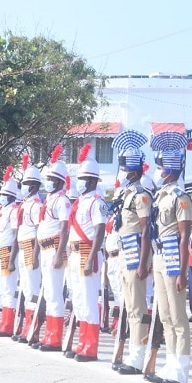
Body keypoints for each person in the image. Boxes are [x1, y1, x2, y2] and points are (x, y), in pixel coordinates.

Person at [147, 130, 192, 383]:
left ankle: (182, 368)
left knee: (177, 315)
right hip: (160, 256)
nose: (159, 171)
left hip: (174, 257)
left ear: (171, 170)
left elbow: (184, 237)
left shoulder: (180, 198)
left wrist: (183, 272)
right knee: (164, 314)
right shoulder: (160, 196)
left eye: (162, 167)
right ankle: (171, 362)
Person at [110, 130, 153, 375]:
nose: (123, 173)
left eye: (126, 170)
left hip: (136, 256)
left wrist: (142, 264)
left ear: (134, 172)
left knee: (137, 307)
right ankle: (130, 353)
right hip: (125, 254)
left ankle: (137, 358)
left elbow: (146, 231)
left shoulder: (142, 197)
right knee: (128, 306)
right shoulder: (126, 194)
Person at [67, 144, 107, 362]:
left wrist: (92, 257)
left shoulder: (97, 202)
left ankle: (90, 347)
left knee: (89, 299)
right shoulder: (80, 201)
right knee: (79, 299)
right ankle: (81, 342)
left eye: (83, 179)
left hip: (87, 253)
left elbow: (100, 230)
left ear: (92, 181)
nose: (80, 183)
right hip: (74, 254)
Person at [35, 145, 71, 352]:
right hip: (45, 248)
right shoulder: (49, 199)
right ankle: (50, 334)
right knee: (49, 293)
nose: (48, 182)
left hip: (55, 249)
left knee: (55, 293)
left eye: (51, 179)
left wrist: (59, 254)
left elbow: (65, 229)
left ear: (59, 181)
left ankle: (55, 337)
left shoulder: (62, 200)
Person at [15, 155, 43, 343]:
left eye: (26, 184)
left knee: (32, 290)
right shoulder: (25, 204)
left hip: (31, 249)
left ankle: (33, 328)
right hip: (22, 248)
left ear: (33, 186)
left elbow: (38, 232)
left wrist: (34, 257)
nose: (23, 187)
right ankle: (26, 326)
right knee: (25, 288)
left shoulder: (35, 205)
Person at [0, 166, 21, 337]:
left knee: (9, 289)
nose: (1, 198)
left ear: (11, 196)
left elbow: (16, 235)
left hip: (7, 253)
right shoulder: (2, 211)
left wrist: (11, 259)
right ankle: (3, 322)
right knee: (2, 289)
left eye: (4, 195)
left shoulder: (14, 211)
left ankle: (8, 325)